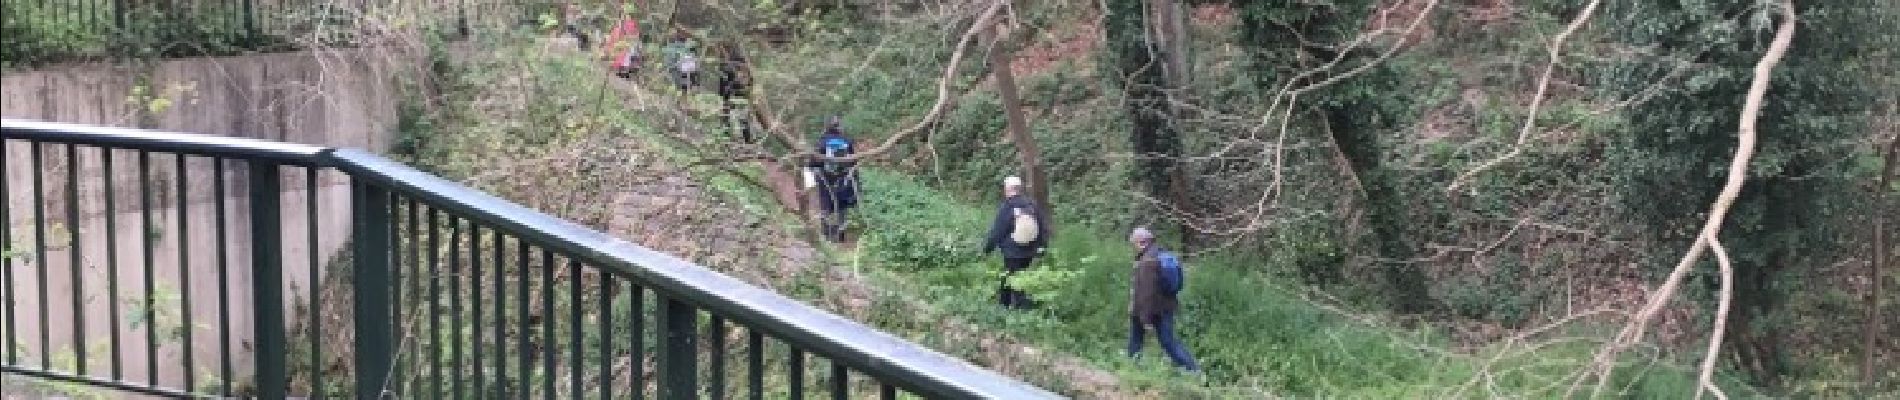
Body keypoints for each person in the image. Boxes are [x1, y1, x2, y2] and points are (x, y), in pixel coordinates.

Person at [1125, 227, 1200, 372]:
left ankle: (1193, 370)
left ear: (1142, 242)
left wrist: (1145, 319)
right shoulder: (1158, 253)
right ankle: (1131, 367)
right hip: (1163, 308)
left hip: (1151, 310)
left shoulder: (1148, 261)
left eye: (1134, 243)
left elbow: (1146, 293)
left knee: (1165, 342)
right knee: (1155, 341)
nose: (1133, 247)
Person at [982, 176, 1047, 310]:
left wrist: (987, 249)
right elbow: (1041, 227)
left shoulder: (1007, 207)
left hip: (1013, 251)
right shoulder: (1031, 205)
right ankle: (1011, 305)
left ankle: (1012, 307)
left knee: (1011, 277)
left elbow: (998, 231)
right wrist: (1041, 247)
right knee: (1019, 276)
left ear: (1007, 189)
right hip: (1029, 250)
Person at [806, 117, 857, 242]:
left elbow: (813, 162)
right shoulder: (846, 141)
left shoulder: (821, 142)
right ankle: (841, 232)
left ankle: (827, 233)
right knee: (842, 204)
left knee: (825, 203)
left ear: (826, 127)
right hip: (843, 176)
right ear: (839, 127)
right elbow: (853, 160)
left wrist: (813, 171)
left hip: (825, 178)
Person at [718, 44, 752, 142]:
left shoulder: (726, 66)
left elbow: (722, 83)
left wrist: (723, 96)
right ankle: (747, 139)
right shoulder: (745, 66)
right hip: (740, 94)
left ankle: (726, 138)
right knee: (742, 117)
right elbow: (750, 81)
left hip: (729, 94)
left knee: (727, 116)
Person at [602, 10, 642, 79]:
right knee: (623, 56)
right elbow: (621, 33)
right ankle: (621, 71)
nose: (626, 17)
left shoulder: (630, 24)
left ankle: (624, 72)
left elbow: (635, 33)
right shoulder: (622, 24)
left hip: (628, 43)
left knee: (626, 56)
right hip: (624, 42)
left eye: (627, 15)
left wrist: (632, 38)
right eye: (625, 15)